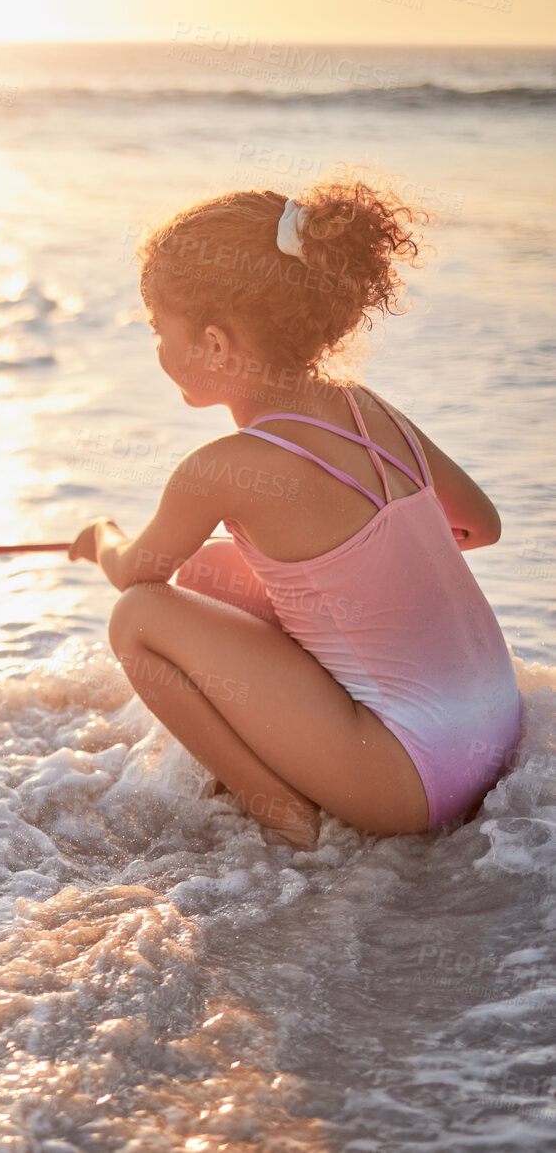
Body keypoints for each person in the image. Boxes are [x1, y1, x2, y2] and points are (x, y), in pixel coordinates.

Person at [68, 181, 522, 848]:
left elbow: (132, 571)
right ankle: (317, 750)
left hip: (412, 780)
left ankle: (281, 810)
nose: (157, 349)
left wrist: (100, 535)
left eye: (156, 329)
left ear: (216, 344)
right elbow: (479, 526)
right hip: (493, 728)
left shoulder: (221, 467)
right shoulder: (368, 408)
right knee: (206, 574)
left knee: (137, 614)